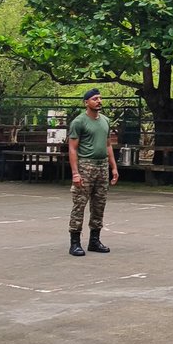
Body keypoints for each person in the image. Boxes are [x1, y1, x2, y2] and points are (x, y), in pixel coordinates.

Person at [67, 88, 119, 256]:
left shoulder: (105, 121)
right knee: (80, 203)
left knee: (99, 204)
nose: (99, 101)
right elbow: (73, 148)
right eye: (95, 98)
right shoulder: (79, 122)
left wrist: (114, 167)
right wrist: (75, 172)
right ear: (86, 102)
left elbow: (108, 144)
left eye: (100, 98)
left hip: (102, 166)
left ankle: (94, 240)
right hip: (85, 165)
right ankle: (75, 242)